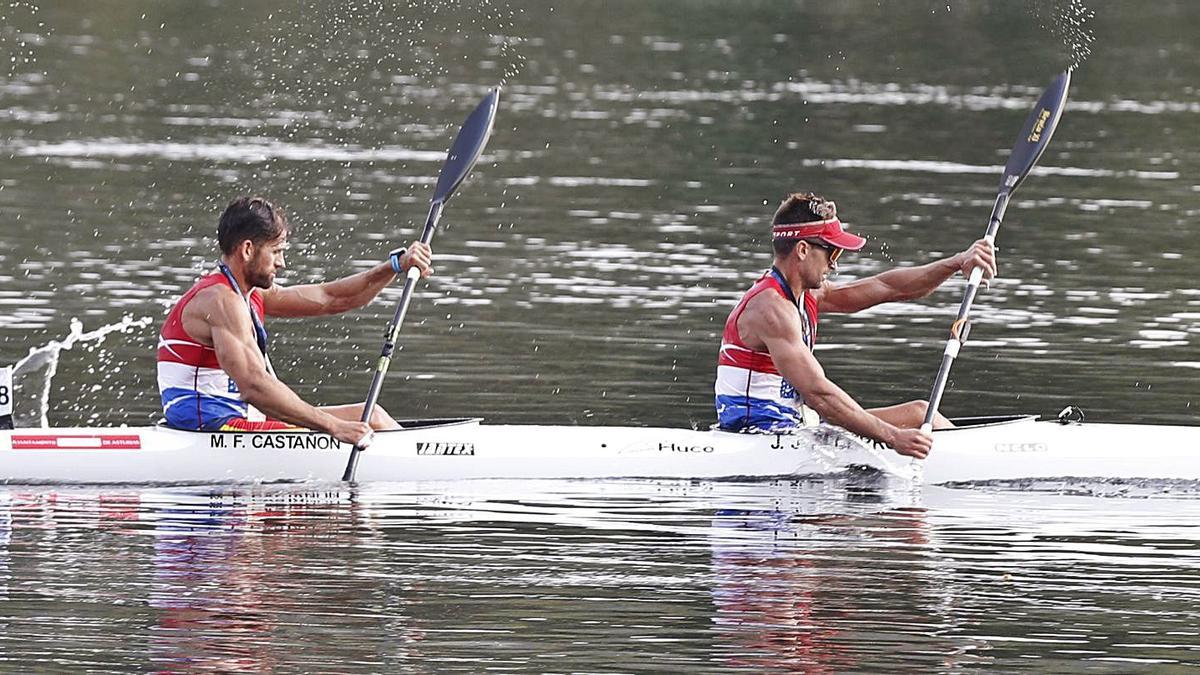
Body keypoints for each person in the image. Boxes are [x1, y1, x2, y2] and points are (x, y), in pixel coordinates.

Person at [715, 192, 996, 459]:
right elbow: (819, 395)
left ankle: (972, 460)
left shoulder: (807, 294)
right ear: (802, 250)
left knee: (922, 413)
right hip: (759, 437)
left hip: (795, 426)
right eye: (831, 253)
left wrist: (956, 263)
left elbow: (888, 287)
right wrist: (893, 438)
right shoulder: (770, 309)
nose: (834, 265)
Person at [157, 196, 433, 446]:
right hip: (210, 427)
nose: (282, 263)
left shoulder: (251, 295)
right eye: (276, 251)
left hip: (237, 418)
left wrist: (394, 266)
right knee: (359, 422)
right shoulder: (219, 300)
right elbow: (254, 385)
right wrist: (334, 427)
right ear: (248, 250)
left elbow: (332, 298)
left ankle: (416, 459)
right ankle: (422, 470)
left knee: (370, 414)